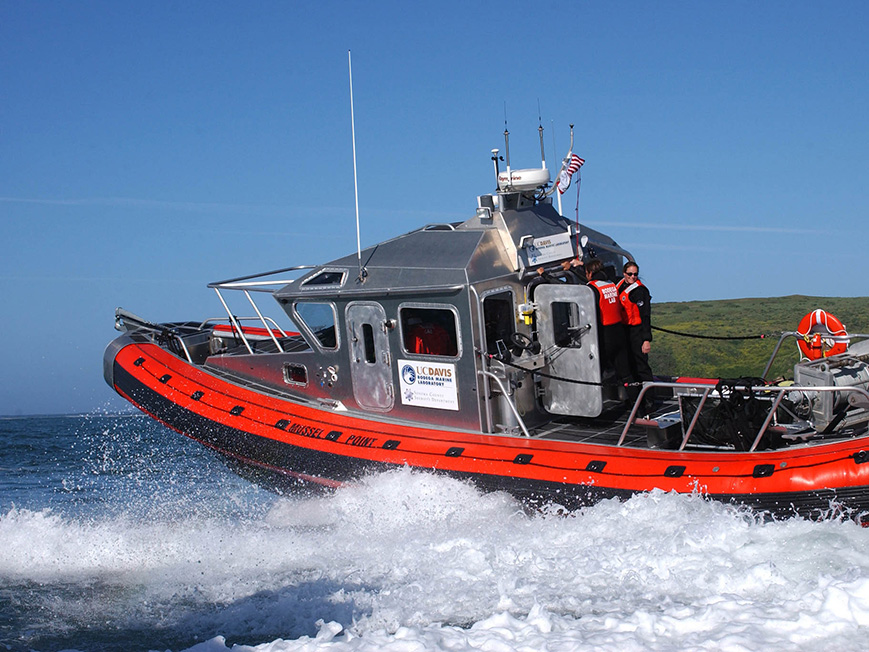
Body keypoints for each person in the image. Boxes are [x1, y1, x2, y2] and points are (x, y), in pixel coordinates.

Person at [584, 258, 633, 402]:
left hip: (605, 335)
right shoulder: (610, 283)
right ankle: (639, 407)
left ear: (590, 273)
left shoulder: (591, 289)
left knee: (596, 372)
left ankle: (595, 405)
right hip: (619, 332)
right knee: (626, 373)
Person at [616, 261, 653, 386]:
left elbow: (646, 316)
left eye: (635, 274)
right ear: (624, 274)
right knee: (626, 364)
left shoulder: (640, 292)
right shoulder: (619, 285)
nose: (633, 277)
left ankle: (648, 399)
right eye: (630, 274)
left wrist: (646, 339)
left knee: (641, 365)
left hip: (637, 331)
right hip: (623, 331)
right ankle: (634, 396)